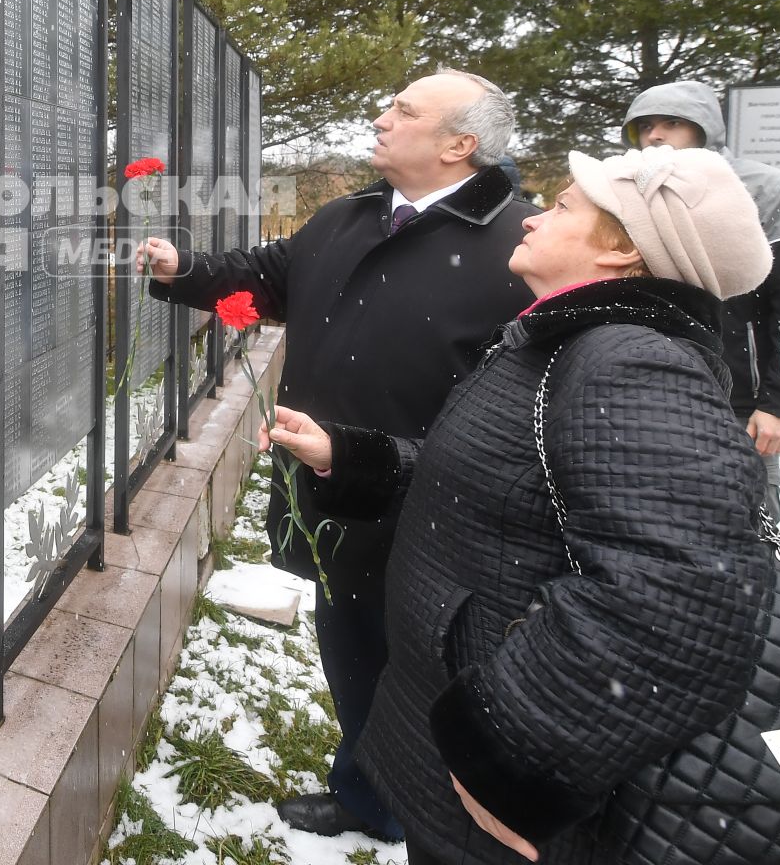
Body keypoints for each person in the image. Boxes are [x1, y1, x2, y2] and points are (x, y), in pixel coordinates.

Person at [263, 145, 772, 865]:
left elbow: (688, 594)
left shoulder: (628, 362)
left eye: (563, 207)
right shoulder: (562, 342)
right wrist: (349, 456)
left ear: (624, 247)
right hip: (460, 756)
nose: (534, 220)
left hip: (498, 805)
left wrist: (516, 763)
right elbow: (494, 488)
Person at [138, 70, 538, 841]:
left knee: (429, 679)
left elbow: (523, 415)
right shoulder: (346, 218)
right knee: (353, 657)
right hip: (334, 502)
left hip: (442, 520)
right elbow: (264, 280)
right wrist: (184, 271)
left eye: (403, 109)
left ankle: (440, 815)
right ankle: (368, 795)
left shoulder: (517, 247)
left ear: (461, 144)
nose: (381, 117)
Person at [621, 82, 780, 521]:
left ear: (705, 129)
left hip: (737, 402)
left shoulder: (767, 188)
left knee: (741, 535)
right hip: (643, 393)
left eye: (673, 123)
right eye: (645, 126)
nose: (656, 135)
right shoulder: (627, 192)